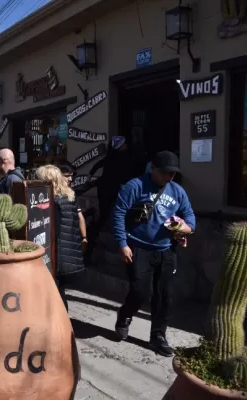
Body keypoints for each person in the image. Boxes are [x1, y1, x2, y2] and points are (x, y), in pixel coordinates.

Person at [113, 150, 195, 357]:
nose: (169, 177)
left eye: (173, 173)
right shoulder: (135, 186)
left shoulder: (177, 191)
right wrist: (123, 244)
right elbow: (119, 214)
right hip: (139, 248)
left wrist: (186, 229)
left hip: (166, 250)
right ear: (153, 168)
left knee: (164, 295)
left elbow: (190, 217)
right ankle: (125, 315)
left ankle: (158, 336)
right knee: (140, 291)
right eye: (165, 172)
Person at [36, 165, 86, 309]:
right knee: (59, 292)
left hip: (58, 257)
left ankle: (61, 328)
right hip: (68, 252)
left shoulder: (55, 201)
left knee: (56, 295)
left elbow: (54, 232)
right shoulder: (68, 196)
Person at [86, 136, 134, 260]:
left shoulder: (110, 158)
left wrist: (90, 176)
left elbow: (97, 165)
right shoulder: (122, 159)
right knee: (107, 215)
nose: (127, 146)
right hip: (111, 190)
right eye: (124, 144)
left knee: (105, 213)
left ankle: (93, 232)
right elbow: (123, 175)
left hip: (102, 188)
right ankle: (92, 238)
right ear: (120, 146)